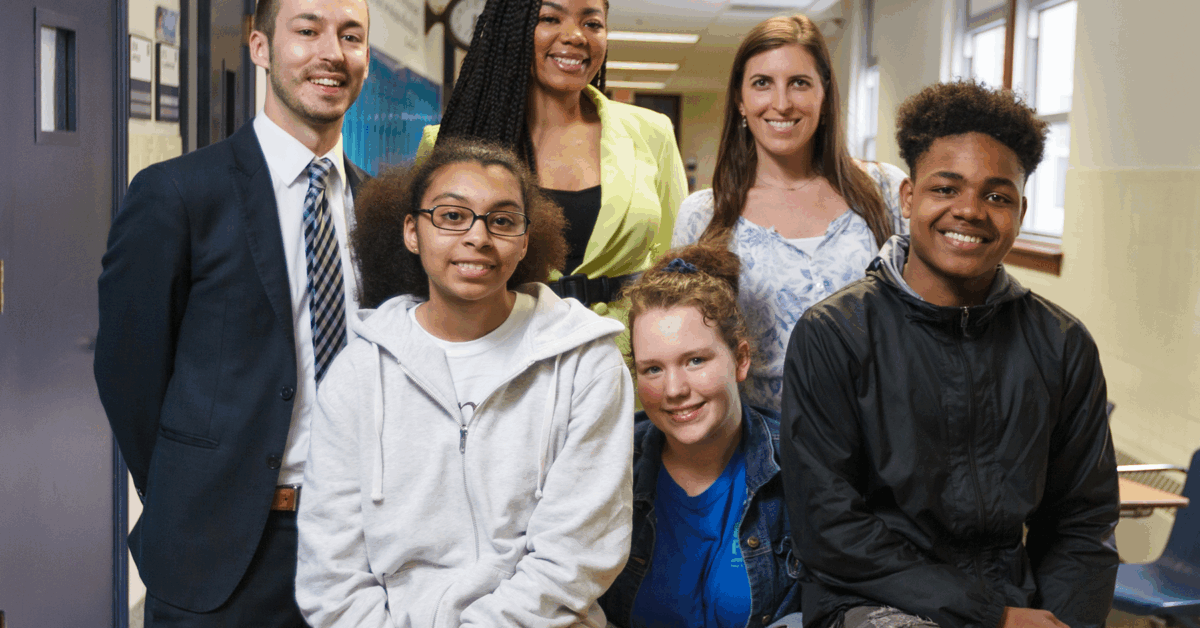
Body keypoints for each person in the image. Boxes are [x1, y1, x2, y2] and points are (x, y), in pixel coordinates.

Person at [780, 81, 1119, 628]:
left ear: (1021, 211)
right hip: (869, 599)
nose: (969, 211)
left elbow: (1082, 522)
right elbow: (830, 528)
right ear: (908, 197)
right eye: (946, 188)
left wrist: (1062, 621)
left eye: (997, 196)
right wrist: (992, 616)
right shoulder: (833, 335)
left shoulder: (1062, 343)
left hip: (1011, 599)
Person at [93, 0, 370, 623]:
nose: (332, 53)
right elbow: (128, 375)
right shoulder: (178, 194)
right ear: (260, 47)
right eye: (308, 30)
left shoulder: (384, 209)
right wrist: (188, 490)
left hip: (359, 549)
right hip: (218, 551)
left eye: (351, 36)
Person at [295, 139, 634, 628]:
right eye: (452, 216)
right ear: (412, 231)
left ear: (525, 239)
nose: (478, 236)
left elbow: (575, 557)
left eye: (502, 220)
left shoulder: (586, 363)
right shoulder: (358, 373)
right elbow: (331, 572)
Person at [672, 14, 906, 412]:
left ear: (824, 95)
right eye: (762, 83)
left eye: (799, 83)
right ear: (740, 100)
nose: (781, 104)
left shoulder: (883, 190)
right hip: (761, 435)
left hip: (878, 429)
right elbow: (688, 345)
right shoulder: (705, 215)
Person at [417, 0, 687, 312]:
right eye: (549, 18)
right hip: (502, 333)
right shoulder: (450, 142)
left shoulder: (652, 133)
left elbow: (678, 261)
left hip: (626, 337)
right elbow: (425, 266)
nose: (575, 36)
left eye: (592, 24)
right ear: (511, 29)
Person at [599, 244, 803, 628]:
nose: (674, 389)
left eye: (695, 361)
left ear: (741, 359)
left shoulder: (800, 462)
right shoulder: (607, 467)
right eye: (653, 369)